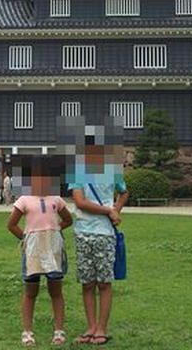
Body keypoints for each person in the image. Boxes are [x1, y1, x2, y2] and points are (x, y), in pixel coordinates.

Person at [69, 124, 128, 346]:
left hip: (104, 234)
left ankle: (101, 328)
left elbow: (124, 193)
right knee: (87, 283)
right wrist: (110, 211)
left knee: (104, 282)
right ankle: (91, 327)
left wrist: (116, 211)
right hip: (83, 231)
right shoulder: (77, 171)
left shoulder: (113, 169)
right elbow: (80, 202)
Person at [7, 156, 73, 347]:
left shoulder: (56, 199)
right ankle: (27, 331)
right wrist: (26, 239)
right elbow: (11, 225)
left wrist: (55, 231)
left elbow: (68, 220)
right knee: (30, 292)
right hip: (33, 250)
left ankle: (59, 331)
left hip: (53, 249)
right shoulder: (24, 200)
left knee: (56, 291)